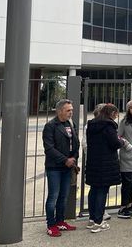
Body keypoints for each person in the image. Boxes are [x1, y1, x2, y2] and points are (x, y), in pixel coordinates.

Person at [86, 104, 129, 233]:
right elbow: (114, 143)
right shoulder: (108, 125)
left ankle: (92, 219)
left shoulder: (92, 124)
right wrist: (122, 142)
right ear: (112, 113)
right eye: (116, 114)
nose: (116, 117)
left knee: (94, 189)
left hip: (93, 161)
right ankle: (99, 222)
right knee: (102, 191)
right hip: (105, 163)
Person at [43, 99, 80, 237]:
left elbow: (75, 143)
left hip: (68, 167)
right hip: (55, 167)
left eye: (72, 110)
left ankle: (60, 221)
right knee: (53, 196)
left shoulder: (71, 124)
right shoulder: (50, 126)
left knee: (63, 196)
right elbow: (49, 148)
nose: (71, 113)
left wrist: (74, 158)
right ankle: (51, 225)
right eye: (68, 110)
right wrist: (65, 160)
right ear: (59, 111)